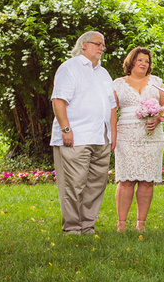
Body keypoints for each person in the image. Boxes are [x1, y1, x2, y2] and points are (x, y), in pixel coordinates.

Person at [50, 31, 118, 235]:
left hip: (100, 137)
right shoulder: (69, 68)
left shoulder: (104, 73)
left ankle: (87, 225)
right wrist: (66, 129)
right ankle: (72, 227)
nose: (101, 48)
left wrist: (112, 134)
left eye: (103, 45)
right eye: (97, 44)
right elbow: (58, 100)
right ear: (84, 45)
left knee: (96, 184)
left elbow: (112, 106)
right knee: (74, 184)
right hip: (76, 136)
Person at [112, 47, 164, 231]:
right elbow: (111, 111)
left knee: (147, 180)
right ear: (131, 62)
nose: (143, 63)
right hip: (126, 136)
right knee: (126, 180)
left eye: (146, 61)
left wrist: (159, 118)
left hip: (152, 137)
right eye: (140, 60)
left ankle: (141, 224)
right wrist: (112, 135)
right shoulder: (118, 83)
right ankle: (121, 224)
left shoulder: (156, 82)